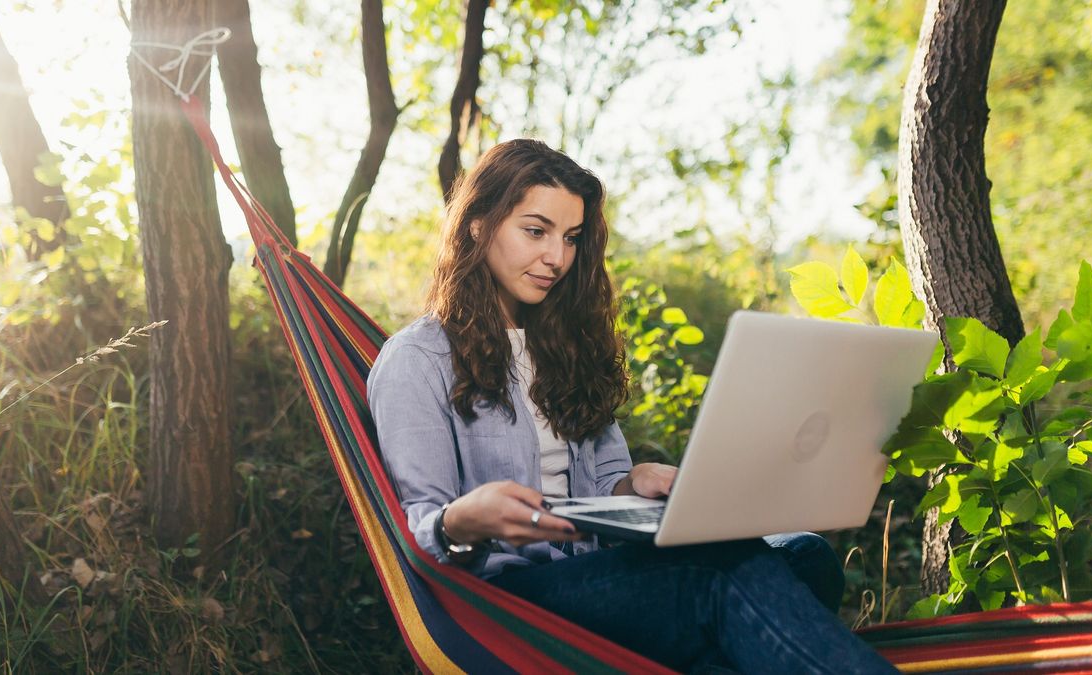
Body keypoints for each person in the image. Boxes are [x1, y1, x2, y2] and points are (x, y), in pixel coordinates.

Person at [367, 139, 897, 673]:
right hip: (506, 606)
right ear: (478, 224)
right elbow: (419, 531)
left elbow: (604, 490)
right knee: (718, 572)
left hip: (600, 574)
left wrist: (633, 482)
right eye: (536, 231)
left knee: (805, 553)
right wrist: (466, 519)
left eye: (571, 238)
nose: (556, 257)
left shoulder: (563, 346)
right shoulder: (418, 360)